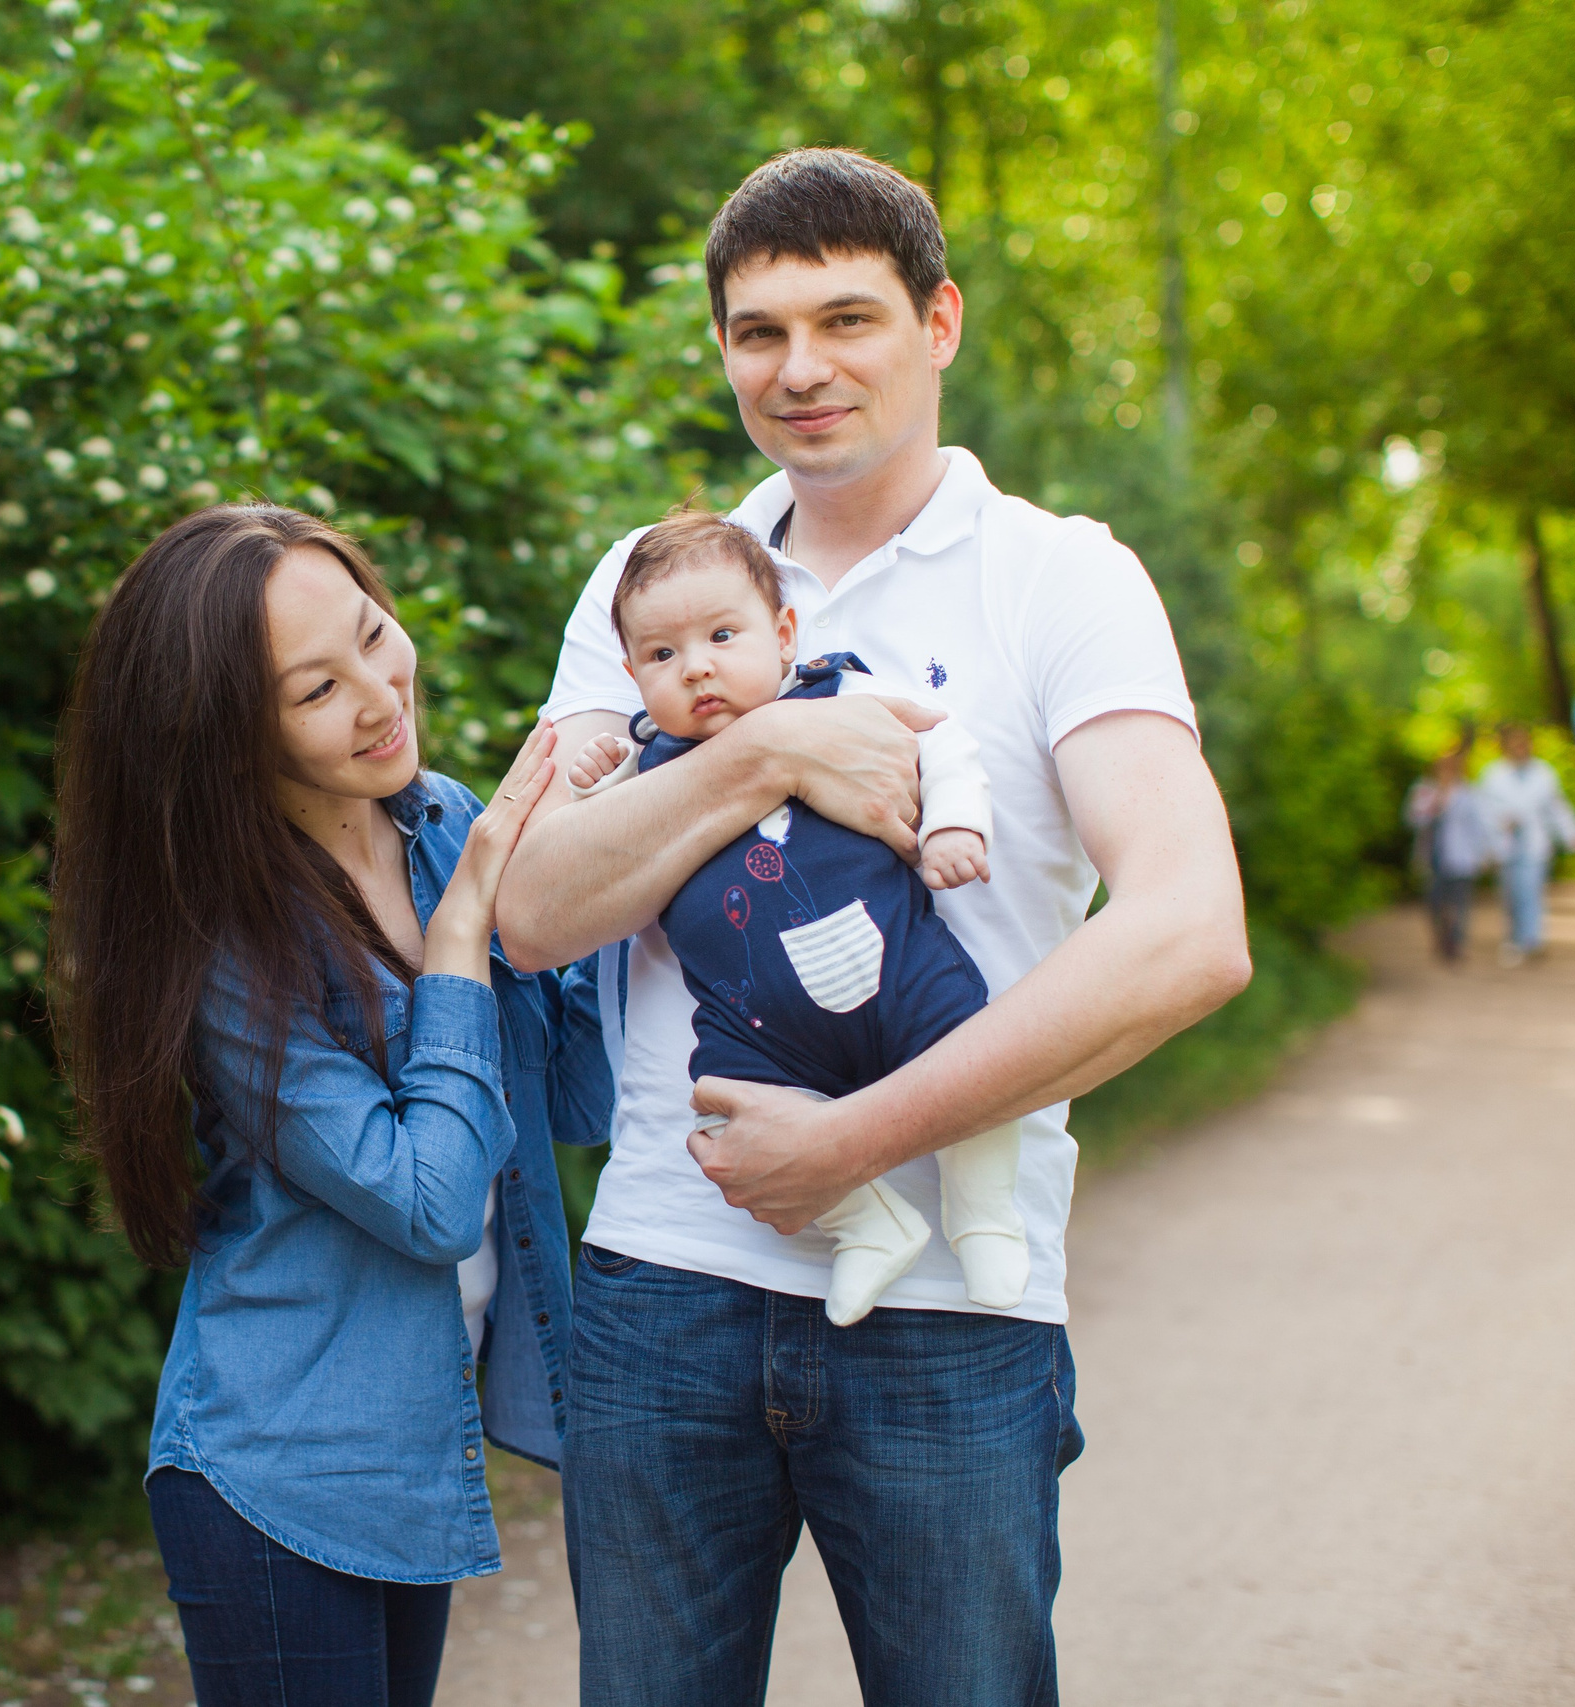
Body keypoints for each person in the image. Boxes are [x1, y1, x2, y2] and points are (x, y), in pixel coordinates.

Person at [496, 147, 1253, 1706]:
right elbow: (534, 909)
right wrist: (770, 748)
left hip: (954, 1313)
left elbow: (1191, 929)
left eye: (848, 319)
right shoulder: (655, 585)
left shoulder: (1062, 580)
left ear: (941, 321)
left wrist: (857, 1143)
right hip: (660, 1286)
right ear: (720, 351)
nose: (802, 368)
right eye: (759, 331)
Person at [46, 504, 610, 1707]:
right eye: (316, 689)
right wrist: (462, 941)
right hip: (277, 1478)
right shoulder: (226, 950)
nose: (378, 692)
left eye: (372, 632)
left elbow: (575, 1094)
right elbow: (432, 1202)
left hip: (405, 1459)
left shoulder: (446, 821)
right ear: (225, 740)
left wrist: (627, 864)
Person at [565, 508, 1027, 1324]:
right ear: (634, 675)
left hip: (892, 970)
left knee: (968, 1046)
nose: (697, 669)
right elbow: (583, 852)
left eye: (721, 636)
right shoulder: (651, 759)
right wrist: (598, 774)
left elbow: (940, 743)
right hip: (754, 1022)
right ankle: (867, 1225)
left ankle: (985, 1216)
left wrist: (956, 822)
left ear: (782, 633)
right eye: (663, 656)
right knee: (717, 1112)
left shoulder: (838, 691)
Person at [1474, 721, 1575, 966]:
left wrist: (1572, 834)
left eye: (1524, 743)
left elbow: (1557, 807)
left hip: (1534, 844)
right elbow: (1482, 812)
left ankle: (1531, 940)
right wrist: (1496, 828)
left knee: (1532, 891)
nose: (1520, 748)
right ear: (1505, 747)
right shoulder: (1492, 774)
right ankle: (1514, 938)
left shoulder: (1543, 773)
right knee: (1511, 894)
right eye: (1515, 744)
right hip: (1503, 843)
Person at [1403, 748, 1491, 962]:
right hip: (1433, 856)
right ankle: (1441, 937)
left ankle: (1456, 943)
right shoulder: (1424, 790)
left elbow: (1479, 825)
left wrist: (1485, 853)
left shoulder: (1468, 792)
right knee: (1434, 901)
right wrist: (1437, 801)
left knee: (1460, 902)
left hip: (1462, 857)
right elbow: (1413, 819)